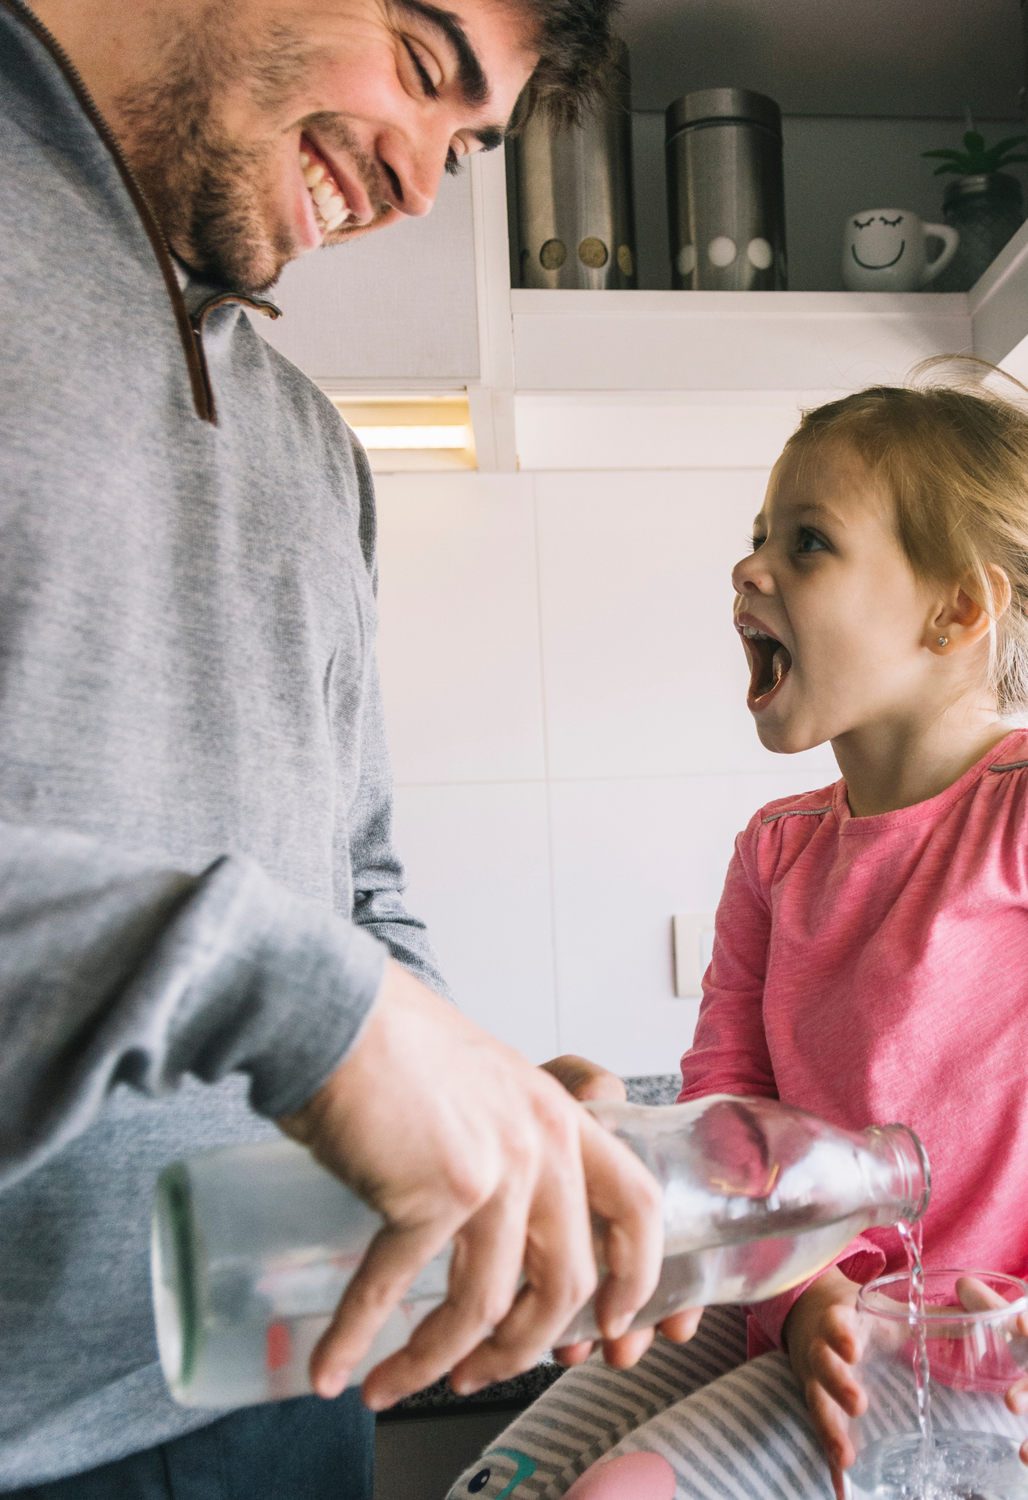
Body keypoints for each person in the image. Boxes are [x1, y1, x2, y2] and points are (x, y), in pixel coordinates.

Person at [0, 2, 680, 1495]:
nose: (422, 189)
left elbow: (354, 889)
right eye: (424, 67)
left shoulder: (313, 448)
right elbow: (297, 976)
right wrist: (310, 1006)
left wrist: (480, 1095)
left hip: (292, 1387)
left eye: (467, 145)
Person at [448, 360, 1028, 1500]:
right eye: (760, 537)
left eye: (808, 542)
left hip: (998, 1345)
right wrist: (793, 1292)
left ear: (957, 610)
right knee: (504, 1480)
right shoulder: (775, 851)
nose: (750, 567)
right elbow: (727, 1109)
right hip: (799, 1300)